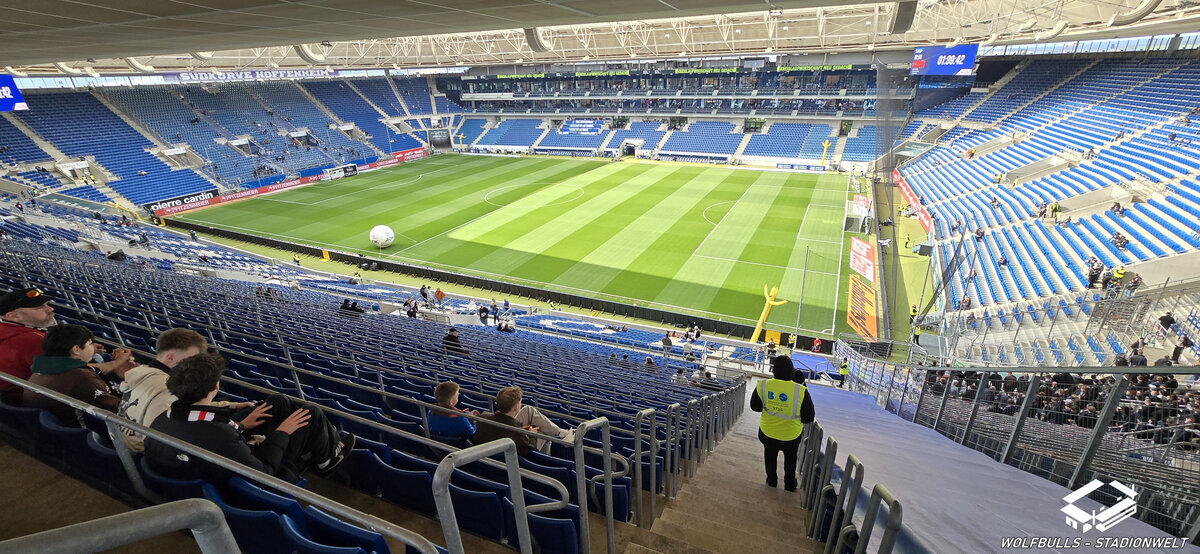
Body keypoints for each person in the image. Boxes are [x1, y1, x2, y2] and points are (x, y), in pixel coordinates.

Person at [145, 353, 354, 484]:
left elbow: (208, 429)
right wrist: (282, 432)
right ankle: (327, 460)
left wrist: (241, 425)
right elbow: (263, 474)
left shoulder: (162, 419)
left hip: (218, 457)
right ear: (215, 386)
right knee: (311, 413)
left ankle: (314, 446)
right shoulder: (221, 435)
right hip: (266, 477)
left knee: (278, 401)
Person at [0, 288, 129, 403]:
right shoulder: (32, 340)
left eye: (46, 304)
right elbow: (73, 371)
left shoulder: (8, 329)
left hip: (22, 394)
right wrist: (118, 362)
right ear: (13, 316)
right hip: (36, 400)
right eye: (38, 307)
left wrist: (84, 348)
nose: (50, 309)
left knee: (98, 357)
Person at [116, 328, 208, 451]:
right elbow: (157, 439)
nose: (194, 366)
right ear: (170, 358)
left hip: (122, 442)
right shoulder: (167, 388)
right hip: (140, 453)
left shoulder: (141, 372)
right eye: (191, 360)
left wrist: (227, 405)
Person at [22, 325, 124, 427]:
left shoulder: (39, 371)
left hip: (50, 429)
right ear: (76, 349)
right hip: (85, 431)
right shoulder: (82, 378)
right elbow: (116, 408)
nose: (92, 347)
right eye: (90, 344)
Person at [750, 356, 815, 491]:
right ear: (791, 371)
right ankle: (789, 485)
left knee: (770, 457)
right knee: (791, 459)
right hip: (791, 436)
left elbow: (754, 407)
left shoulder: (763, 385)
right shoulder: (800, 390)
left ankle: (771, 481)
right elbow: (808, 417)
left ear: (774, 370)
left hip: (767, 433)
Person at [472, 386, 573, 456]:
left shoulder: (483, 417)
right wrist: (532, 435)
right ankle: (544, 462)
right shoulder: (518, 434)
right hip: (514, 450)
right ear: (516, 407)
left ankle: (560, 432)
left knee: (528, 410)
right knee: (544, 433)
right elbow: (529, 448)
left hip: (501, 432)